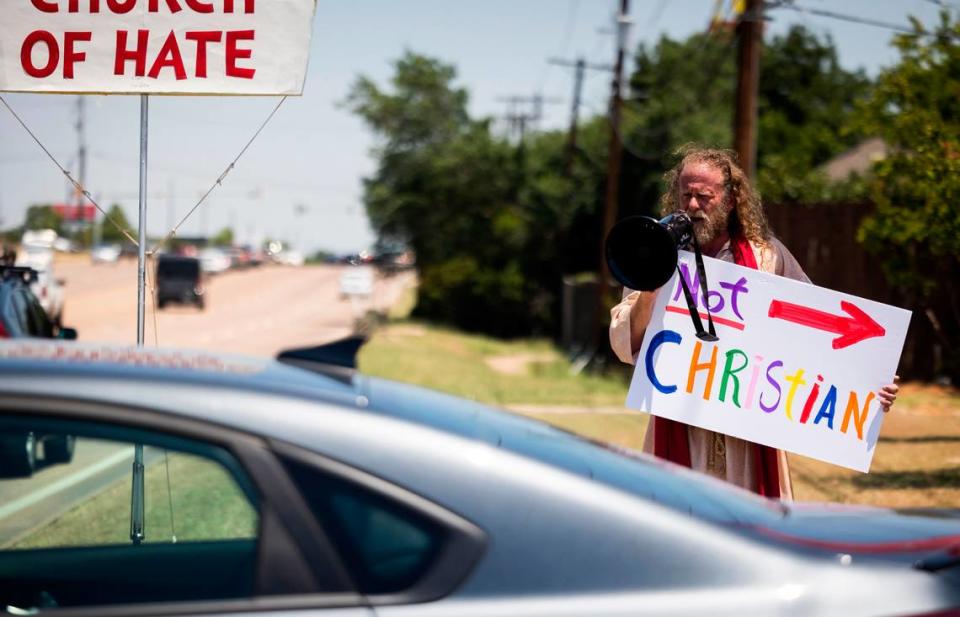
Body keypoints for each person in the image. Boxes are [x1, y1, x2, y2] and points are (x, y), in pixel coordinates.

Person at [608, 145, 899, 499]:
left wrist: (868, 385)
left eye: (705, 196)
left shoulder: (766, 257)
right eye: (686, 196)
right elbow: (627, 344)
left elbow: (816, 332)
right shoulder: (656, 255)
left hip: (750, 441)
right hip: (681, 431)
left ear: (730, 201)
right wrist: (651, 292)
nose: (694, 206)